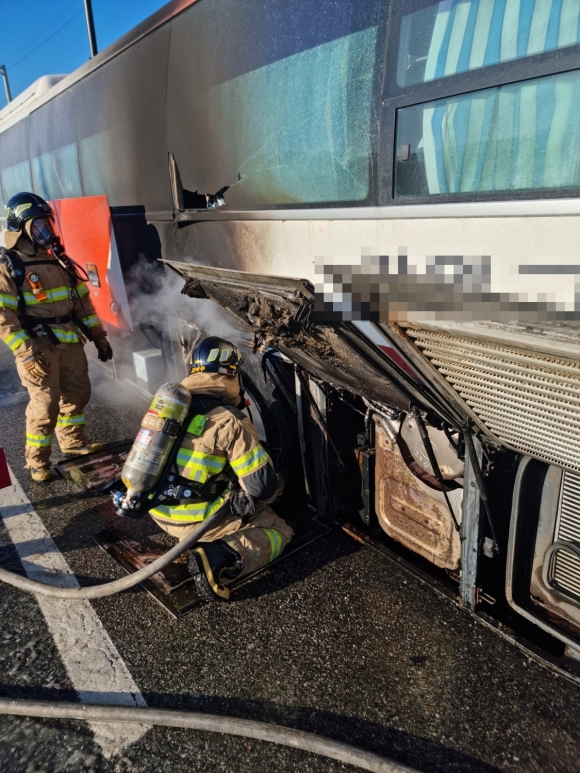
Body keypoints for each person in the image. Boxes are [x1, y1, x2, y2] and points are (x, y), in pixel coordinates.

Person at [148, 336, 293, 602]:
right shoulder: (230, 420)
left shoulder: (172, 407)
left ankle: (201, 540)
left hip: (159, 511)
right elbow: (263, 488)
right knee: (280, 530)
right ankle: (218, 556)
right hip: (194, 522)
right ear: (232, 375)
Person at [0, 192, 113, 482]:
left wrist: (98, 336)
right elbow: (3, 317)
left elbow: (82, 303)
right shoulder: (9, 266)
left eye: (47, 224)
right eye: (38, 225)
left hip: (69, 340)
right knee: (45, 405)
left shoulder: (59, 261)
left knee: (77, 393)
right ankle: (37, 462)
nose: (46, 231)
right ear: (21, 229)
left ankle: (73, 442)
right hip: (37, 346)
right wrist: (26, 352)